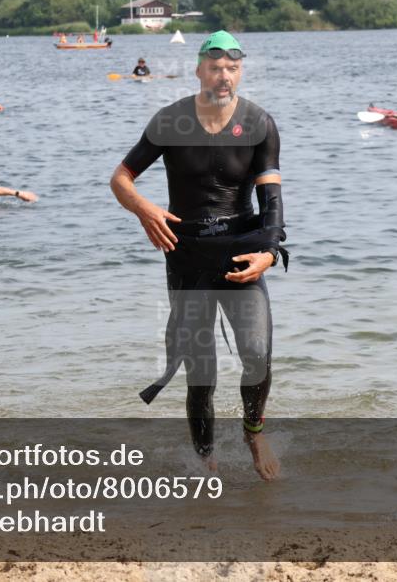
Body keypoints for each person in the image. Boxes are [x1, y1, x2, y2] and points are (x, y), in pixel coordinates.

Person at [110, 30, 287, 481]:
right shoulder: (170, 122)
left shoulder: (260, 123)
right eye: (215, 67)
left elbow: (271, 202)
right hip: (185, 255)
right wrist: (144, 209)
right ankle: (206, 462)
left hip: (241, 253)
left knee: (257, 354)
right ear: (199, 71)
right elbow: (121, 179)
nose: (223, 76)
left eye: (232, 67)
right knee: (200, 372)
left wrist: (269, 251)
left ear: (240, 70)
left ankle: (253, 431)